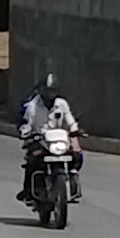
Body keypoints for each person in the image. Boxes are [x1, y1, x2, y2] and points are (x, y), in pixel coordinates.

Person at [15, 72, 83, 200]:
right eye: (46, 91)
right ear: (41, 90)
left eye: (52, 91)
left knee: (76, 155)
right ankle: (28, 190)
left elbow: (70, 121)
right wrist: (26, 131)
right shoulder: (33, 105)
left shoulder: (61, 104)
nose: (49, 94)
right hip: (38, 139)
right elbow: (26, 122)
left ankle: (73, 179)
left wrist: (75, 131)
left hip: (58, 140)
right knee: (32, 161)